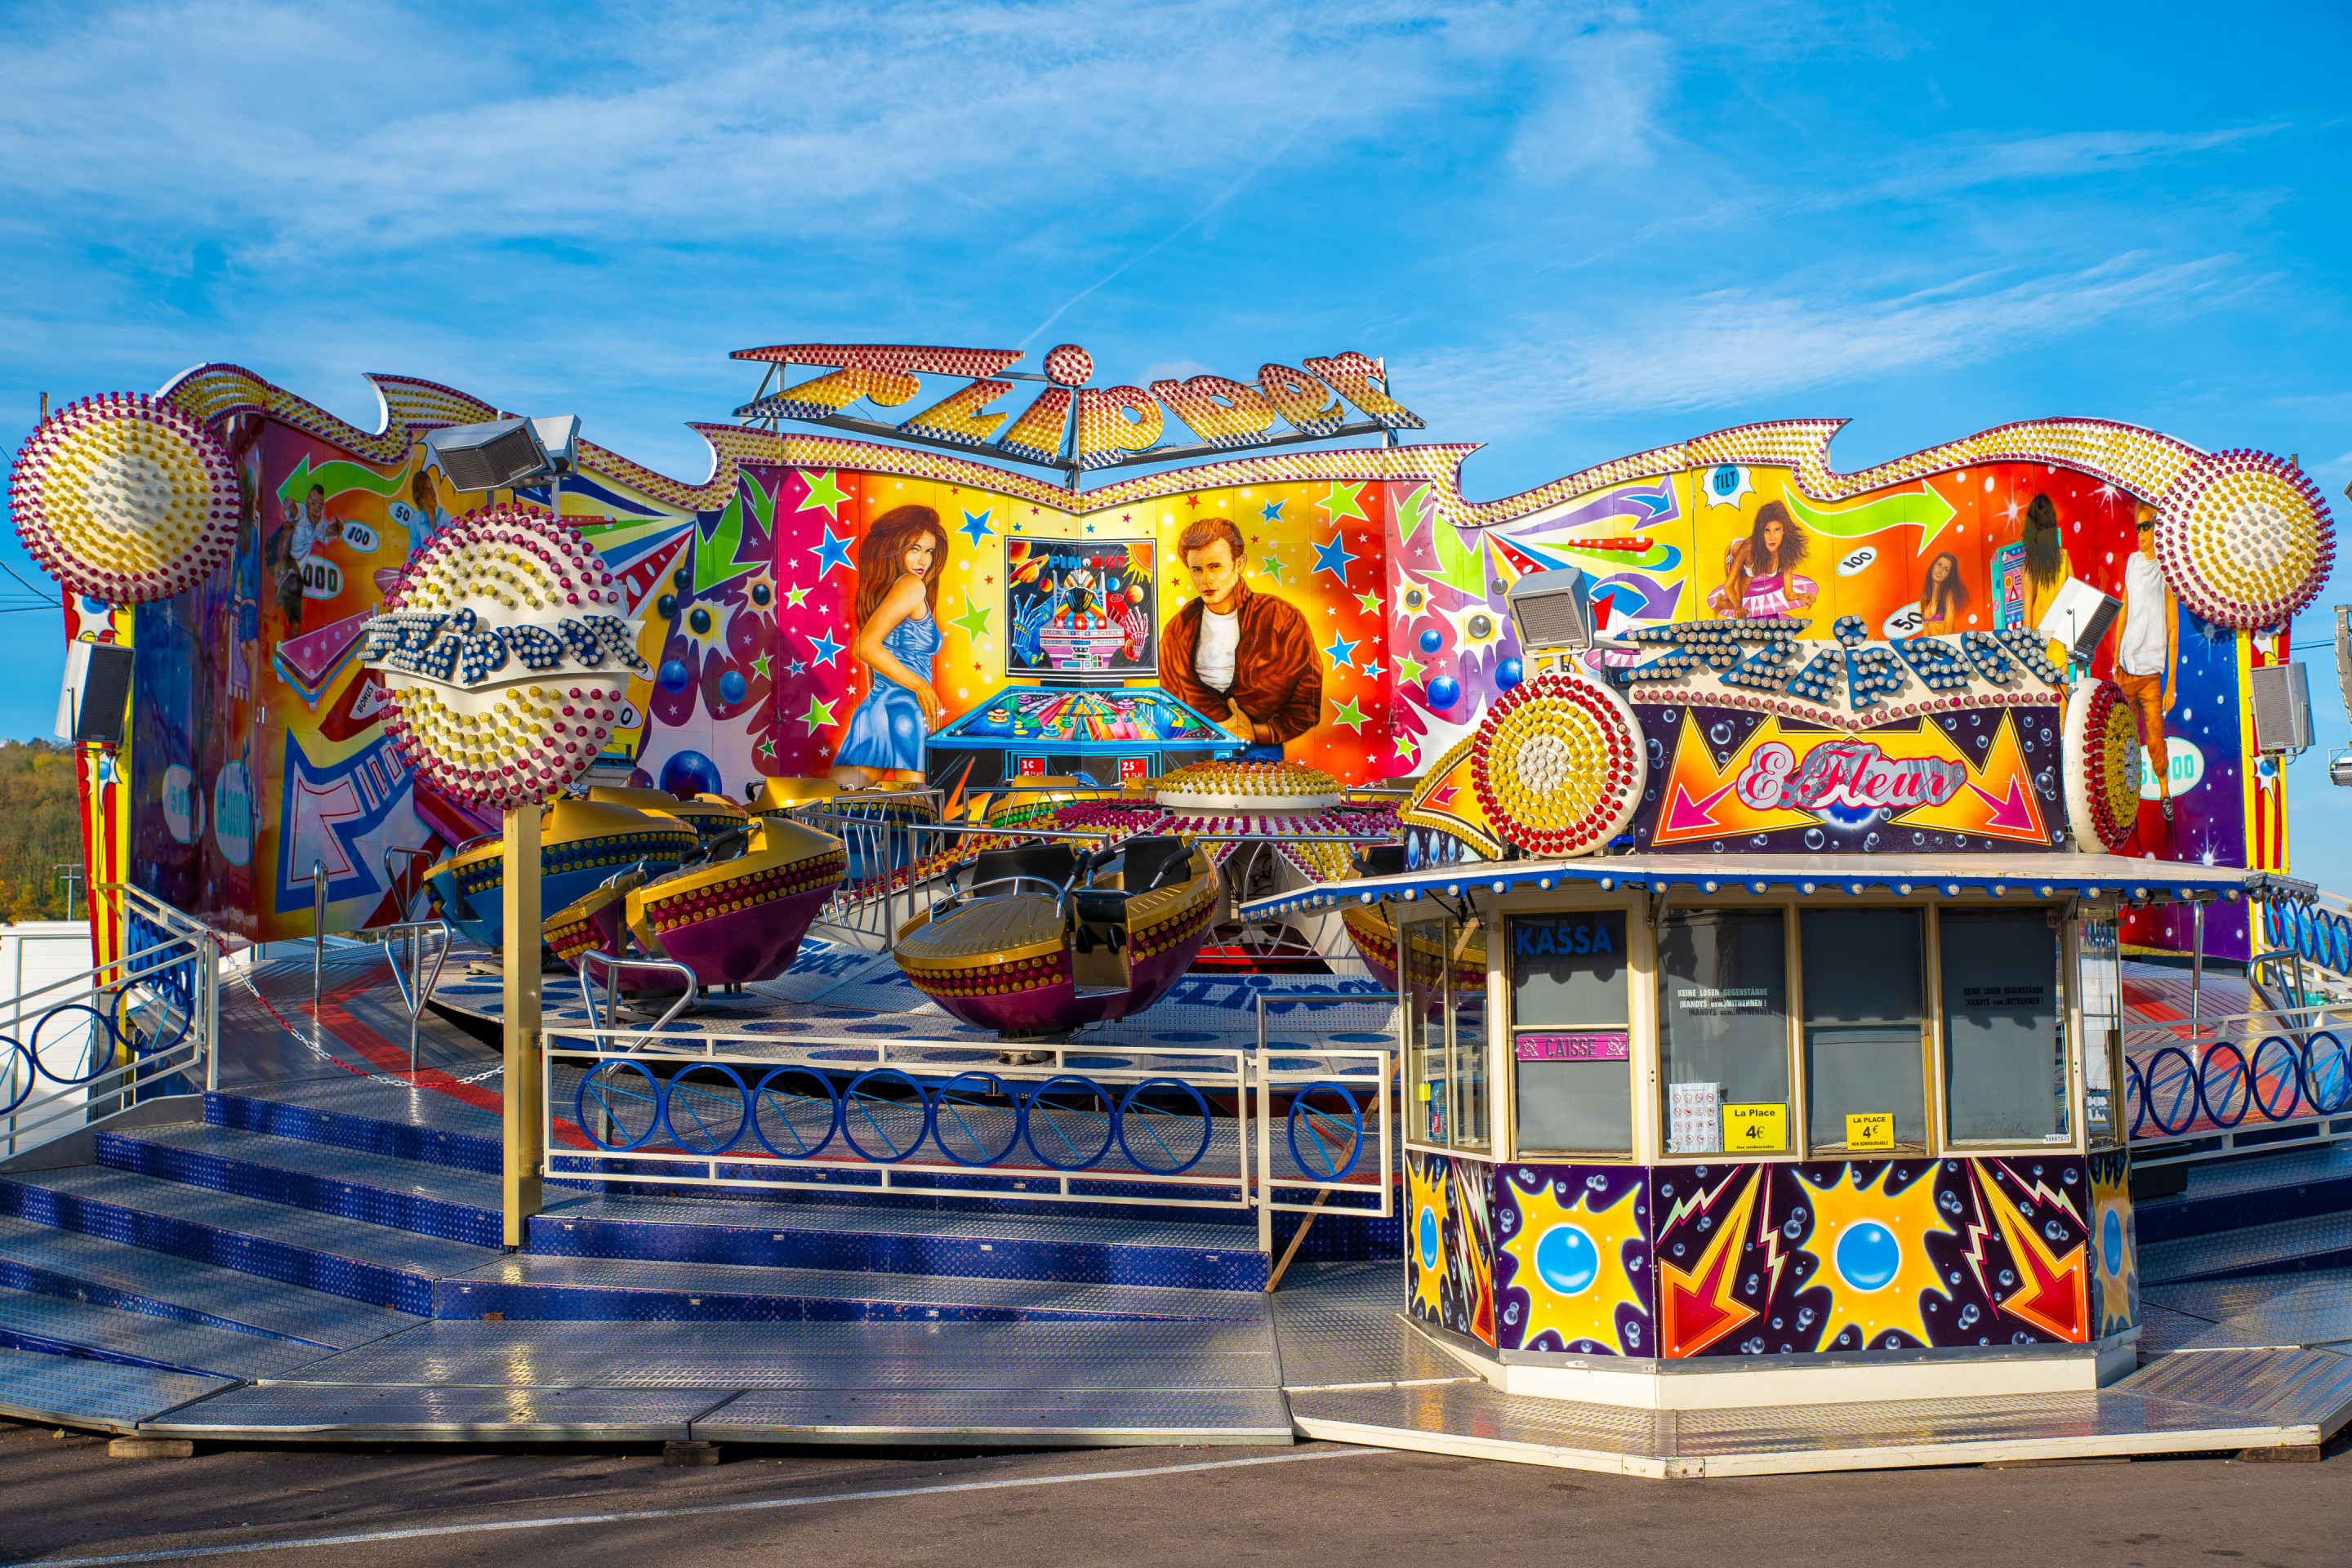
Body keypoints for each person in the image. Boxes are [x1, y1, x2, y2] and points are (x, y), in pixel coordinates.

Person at [1159, 518, 1321, 756]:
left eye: (1215, 566)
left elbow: (1308, 700)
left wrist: (1258, 732)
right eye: (1197, 569)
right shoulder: (1178, 628)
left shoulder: (1282, 618)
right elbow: (1170, 697)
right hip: (1198, 746)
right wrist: (1214, 726)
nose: (1206, 580)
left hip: (1261, 749)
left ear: (1239, 564)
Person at [831, 506, 949, 788]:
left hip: (877, 708)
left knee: (831, 806)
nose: (924, 560)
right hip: (907, 709)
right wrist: (922, 686)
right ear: (896, 548)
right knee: (916, 817)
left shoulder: (889, 589)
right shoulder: (911, 586)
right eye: (915, 549)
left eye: (930, 552)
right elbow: (866, 647)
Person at [2115, 501, 2179, 822]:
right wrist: (2115, 658)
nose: (2140, 534)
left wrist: (2171, 683)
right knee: (2126, 738)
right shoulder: (2131, 562)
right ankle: (2130, 803)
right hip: (2126, 668)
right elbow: (2124, 609)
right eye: (2137, 527)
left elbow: (2172, 626)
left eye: (2146, 526)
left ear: (2159, 528)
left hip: (2152, 671)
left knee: (2154, 736)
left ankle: (2164, 792)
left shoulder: (2167, 571)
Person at [1708, 501, 1818, 619]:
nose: (1772, 537)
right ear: (1761, 532)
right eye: (1767, 531)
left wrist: (1801, 596)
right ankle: (1720, 603)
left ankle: (1726, 603)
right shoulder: (1748, 549)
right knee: (1738, 602)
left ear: (1784, 530)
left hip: (1755, 563)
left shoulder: (1786, 550)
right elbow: (1728, 585)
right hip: (1736, 552)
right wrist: (1737, 608)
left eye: (1777, 530)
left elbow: (1788, 593)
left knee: (1739, 602)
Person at [263, 483, 341, 630]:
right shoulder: (302, 511)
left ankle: (293, 633)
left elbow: (329, 530)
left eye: (319, 506)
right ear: (307, 502)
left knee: (296, 621)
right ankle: (280, 575)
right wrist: (289, 504)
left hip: (294, 573)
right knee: (288, 527)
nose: (316, 510)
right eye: (313, 503)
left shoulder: (319, 524)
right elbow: (293, 508)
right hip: (275, 552)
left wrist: (336, 528)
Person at [2020, 492, 2069, 670]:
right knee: (2063, 696)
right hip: (2061, 641)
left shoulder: (2029, 565)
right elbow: (2074, 595)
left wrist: (2026, 650)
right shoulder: (2064, 557)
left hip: (2039, 644)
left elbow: (2027, 619)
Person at [1917, 550, 1968, 635]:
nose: (1940, 570)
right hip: (1933, 645)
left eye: (1946, 569)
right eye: (1939, 565)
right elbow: (1926, 631)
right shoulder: (1924, 596)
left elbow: (1948, 630)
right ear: (1933, 566)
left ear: (1949, 575)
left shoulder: (1949, 595)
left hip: (1948, 643)